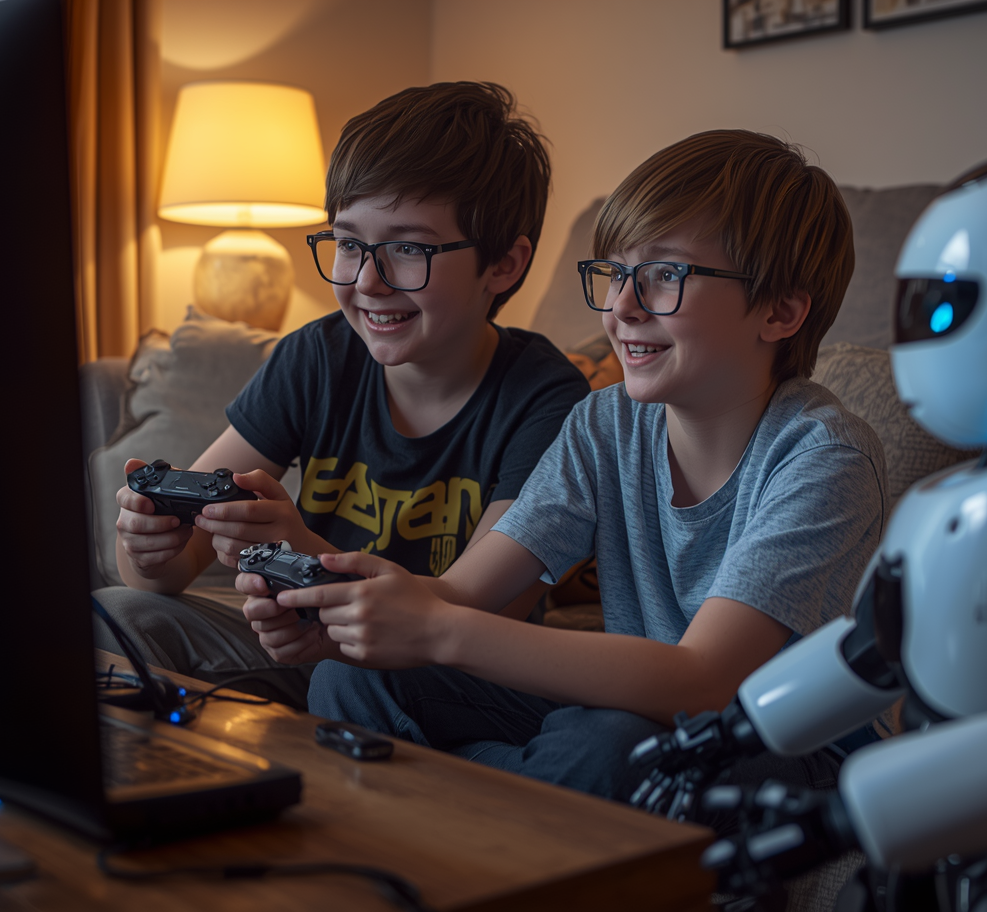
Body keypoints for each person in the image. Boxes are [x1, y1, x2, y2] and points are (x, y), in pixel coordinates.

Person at [249, 129, 888, 800]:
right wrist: (341, 616)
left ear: (781, 311)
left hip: (778, 748)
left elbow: (705, 682)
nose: (622, 308)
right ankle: (497, 817)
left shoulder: (822, 459)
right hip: (630, 713)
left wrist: (436, 631)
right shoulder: (606, 422)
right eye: (616, 274)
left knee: (604, 748)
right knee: (354, 679)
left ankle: (465, 822)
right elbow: (464, 595)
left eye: (666, 276)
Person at [95, 82, 589, 710]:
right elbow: (163, 573)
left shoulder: (549, 403)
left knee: (353, 678)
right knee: (117, 616)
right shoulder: (318, 357)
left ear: (503, 265)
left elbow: (477, 612)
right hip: (305, 641)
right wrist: (148, 544)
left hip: (447, 672)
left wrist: (304, 552)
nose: (367, 282)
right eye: (350, 244)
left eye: (408, 249)